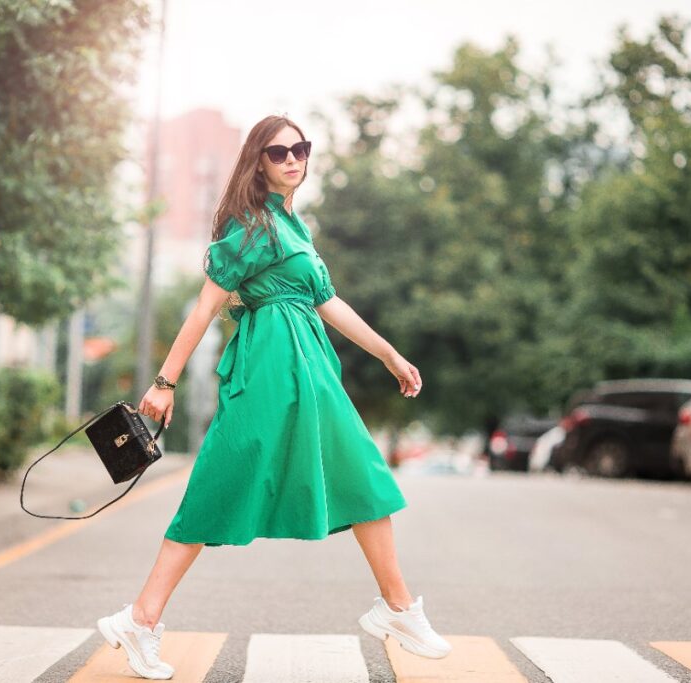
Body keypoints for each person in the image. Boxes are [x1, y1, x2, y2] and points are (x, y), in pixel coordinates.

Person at [96, 115, 451, 679]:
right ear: (257, 162)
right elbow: (205, 308)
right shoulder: (249, 227)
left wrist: (389, 355)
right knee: (218, 485)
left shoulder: (294, 228)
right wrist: (164, 383)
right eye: (278, 151)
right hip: (266, 373)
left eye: (300, 149)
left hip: (310, 372)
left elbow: (328, 304)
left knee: (362, 471)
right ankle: (140, 620)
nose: (292, 159)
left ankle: (398, 608)